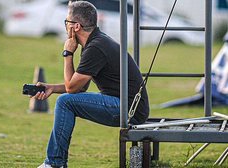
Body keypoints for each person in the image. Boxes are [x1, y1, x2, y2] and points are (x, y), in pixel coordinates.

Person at [34, 1, 149, 168]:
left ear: (76, 26)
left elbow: (71, 88)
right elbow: (80, 87)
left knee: (65, 102)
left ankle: (54, 163)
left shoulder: (95, 47)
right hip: (125, 104)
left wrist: (67, 53)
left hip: (129, 109)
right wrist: (52, 88)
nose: (65, 26)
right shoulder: (94, 41)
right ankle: (56, 163)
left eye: (67, 22)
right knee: (66, 100)